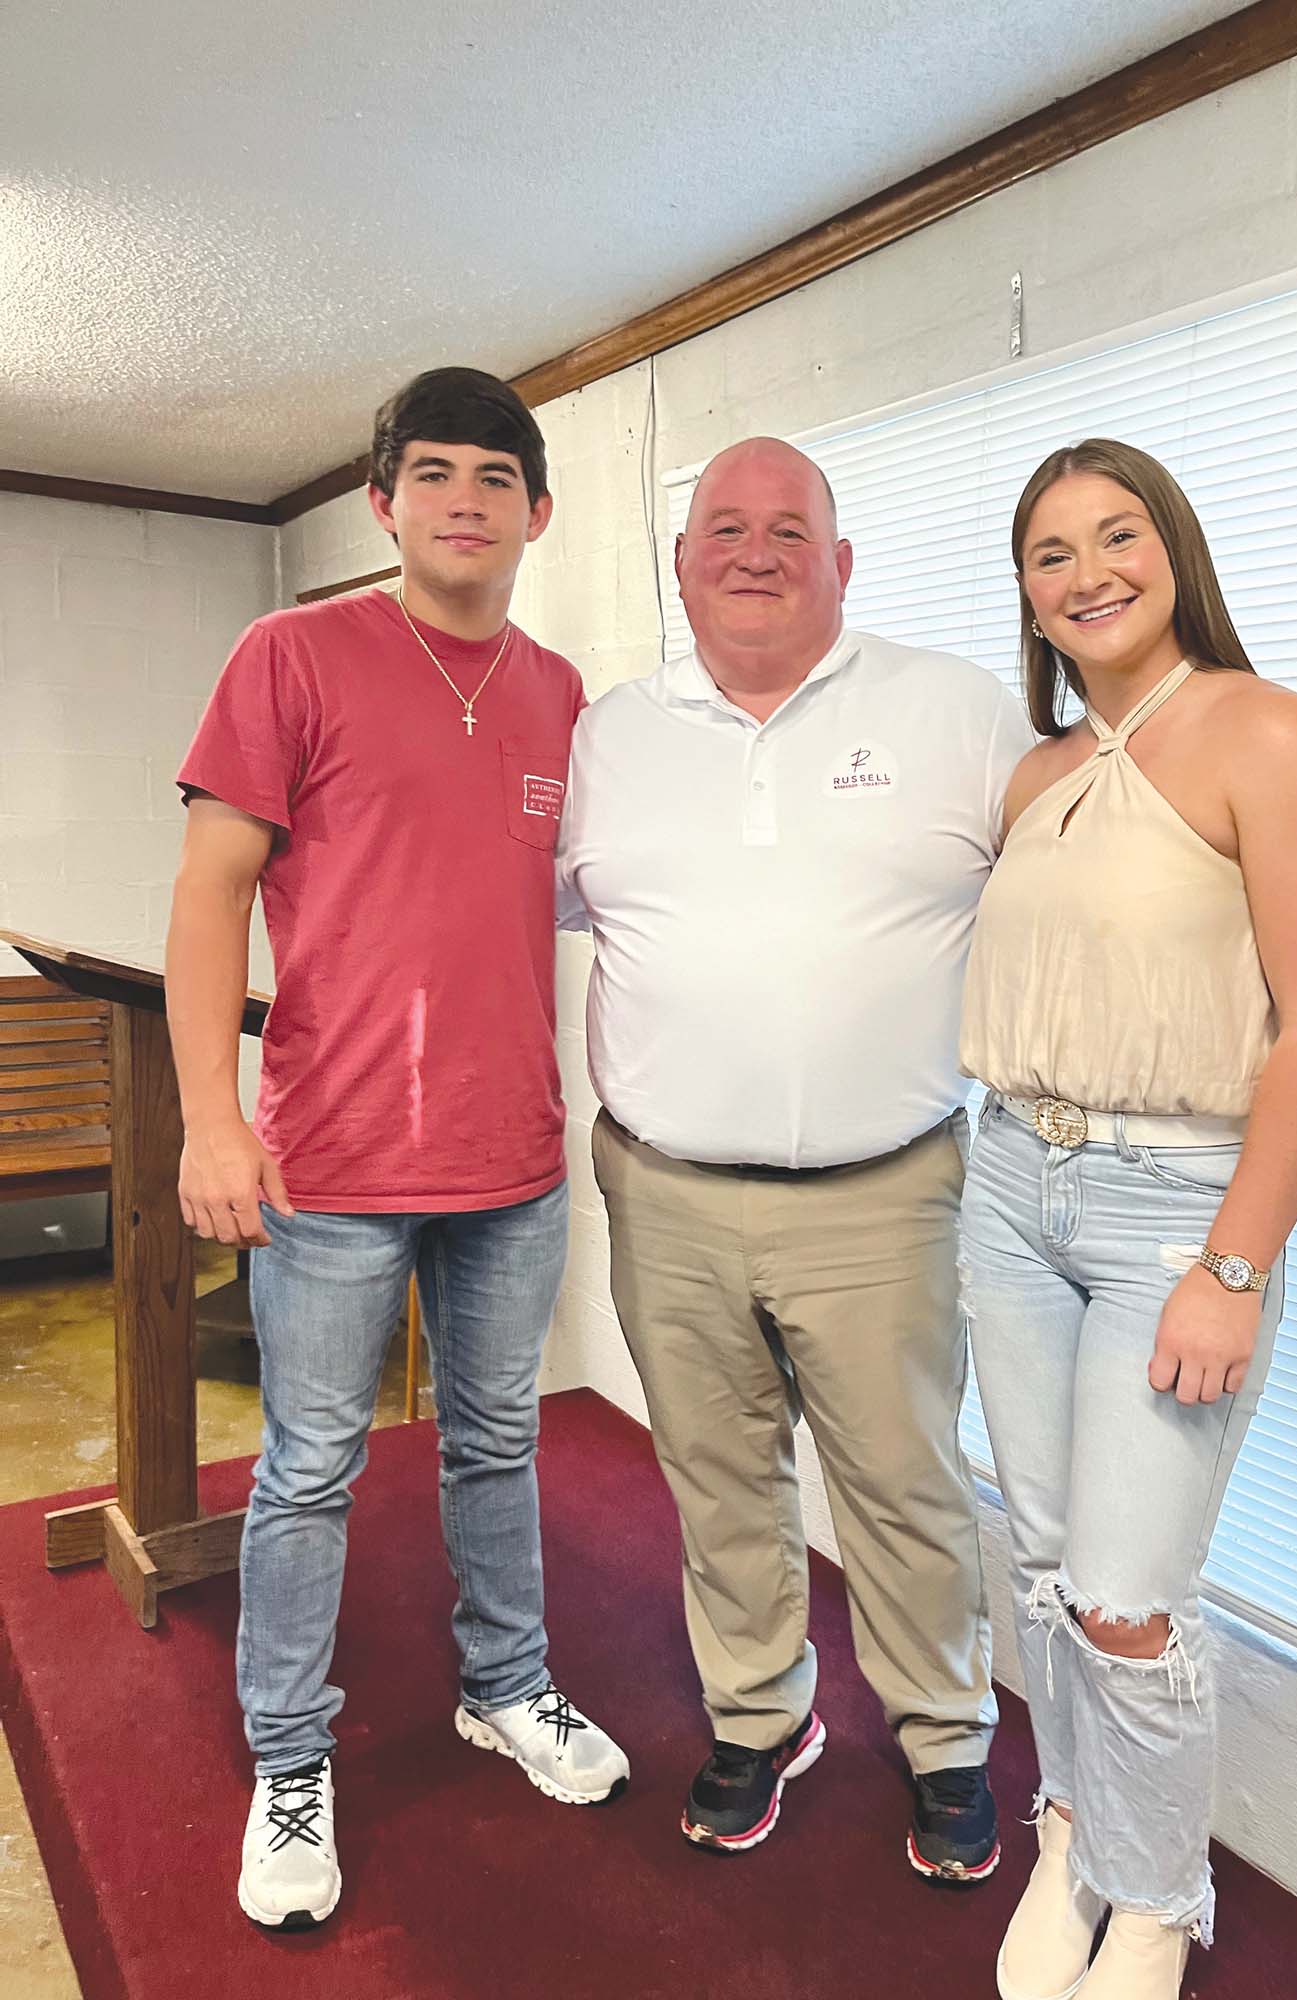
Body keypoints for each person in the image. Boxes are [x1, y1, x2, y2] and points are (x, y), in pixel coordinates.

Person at [166, 366, 629, 1934]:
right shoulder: (292, 655)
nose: (463, 502)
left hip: (512, 1157)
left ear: (537, 513)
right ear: (383, 503)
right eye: (433, 473)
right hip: (332, 1161)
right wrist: (211, 1119)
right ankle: (290, 1756)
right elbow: (207, 894)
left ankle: (506, 1684)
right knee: (310, 1468)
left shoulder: (561, 695)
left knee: (499, 1443)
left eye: (495, 479)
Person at [556, 435, 1032, 1881]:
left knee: (904, 1485)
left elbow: (1075, 883)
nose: (753, 553)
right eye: (723, 529)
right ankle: (760, 1716)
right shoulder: (608, 736)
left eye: (787, 529)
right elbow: (553, 913)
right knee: (719, 1478)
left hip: (883, 1197)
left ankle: (946, 1739)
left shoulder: (956, 710)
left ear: (842, 562)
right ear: (680, 562)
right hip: (667, 1193)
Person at [959, 439, 1297, 1999]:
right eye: (1051, 553)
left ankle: (1153, 1900)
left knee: (1126, 1597)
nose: (1089, 574)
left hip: (1175, 1211)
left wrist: (1235, 1266)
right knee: (1047, 1563)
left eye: (1117, 535)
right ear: (1027, 595)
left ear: (1174, 549)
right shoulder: (1037, 777)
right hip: (1012, 1183)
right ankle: (1073, 1833)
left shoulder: (1269, 733)